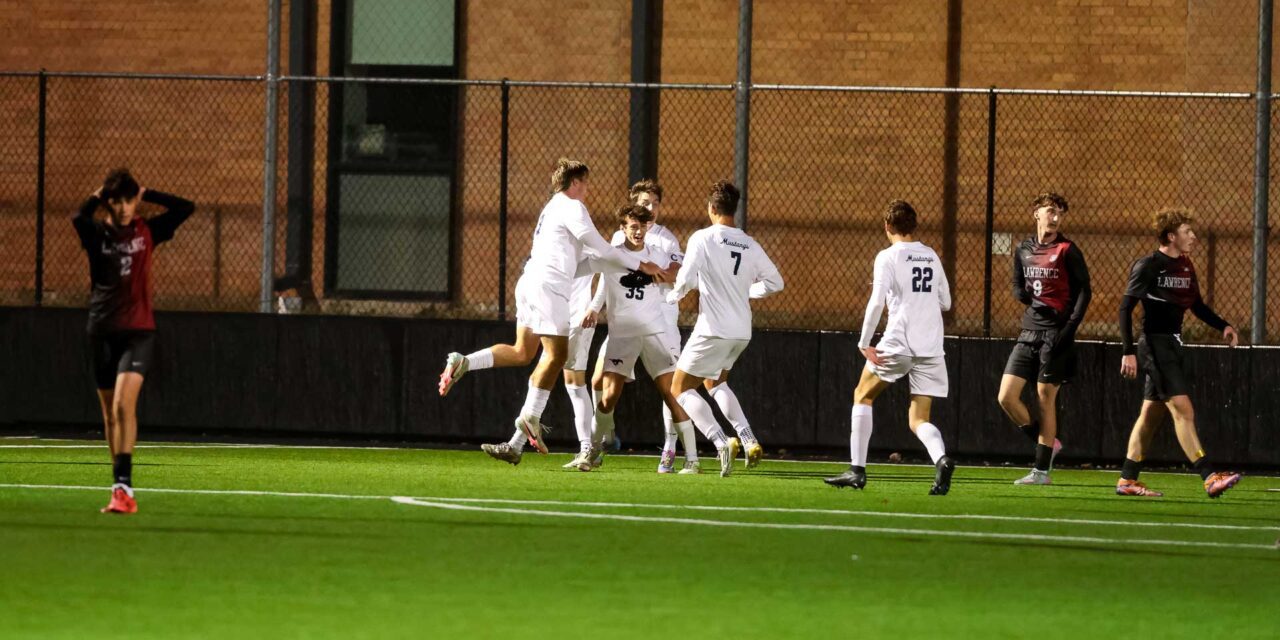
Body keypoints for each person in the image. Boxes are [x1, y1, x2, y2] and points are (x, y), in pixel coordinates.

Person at [437, 158, 665, 465]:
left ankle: (466, 363)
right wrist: (641, 264)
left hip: (530, 283)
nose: (588, 189)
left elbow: (585, 262)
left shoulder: (551, 209)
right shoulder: (571, 207)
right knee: (558, 359)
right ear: (574, 183)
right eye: (585, 183)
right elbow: (596, 244)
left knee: (522, 352)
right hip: (551, 290)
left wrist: (612, 261)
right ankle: (533, 419)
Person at [72, 168, 196, 514]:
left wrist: (148, 192)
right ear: (109, 203)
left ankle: (124, 487)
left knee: (124, 407)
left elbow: (186, 208)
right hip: (101, 330)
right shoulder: (96, 234)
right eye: (118, 201)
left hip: (138, 331)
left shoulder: (148, 231)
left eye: (129, 200)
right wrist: (96, 196)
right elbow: (77, 216)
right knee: (109, 417)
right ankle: (118, 488)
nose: (125, 207)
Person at [824, 201, 956, 495]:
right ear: (914, 226)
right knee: (919, 419)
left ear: (887, 227)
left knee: (862, 394)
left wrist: (863, 341)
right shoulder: (931, 255)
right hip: (932, 346)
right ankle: (941, 459)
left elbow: (876, 301)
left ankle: (856, 470)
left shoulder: (888, 256)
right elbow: (945, 302)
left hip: (899, 341)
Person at [1115, 209, 1242, 498]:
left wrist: (1223, 326)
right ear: (1171, 236)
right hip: (1154, 345)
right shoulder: (1148, 266)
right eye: (1188, 232)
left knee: (1149, 414)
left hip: (1173, 344)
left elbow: (1195, 305)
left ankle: (1127, 480)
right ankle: (1209, 476)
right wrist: (1128, 351)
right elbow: (1125, 308)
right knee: (1184, 411)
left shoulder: (1185, 266)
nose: (1194, 236)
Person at [666, 181, 783, 477]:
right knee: (715, 383)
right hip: (741, 332)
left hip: (713, 329)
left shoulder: (703, 238)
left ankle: (721, 442)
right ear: (734, 210)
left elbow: (687, 276)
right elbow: (776, 283)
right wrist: (745, 292)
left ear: (711, 208)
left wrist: (674, 295)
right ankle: (747, 438)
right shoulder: (749, 243)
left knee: (678, 388)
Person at [569, 204, 695, 472]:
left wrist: (674, 275)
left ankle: (692, 459)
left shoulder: (658, 255)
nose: (638, 232)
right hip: (622, 336)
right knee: (609, 397)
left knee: (672, 394)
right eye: (633, 227)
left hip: (653, 333)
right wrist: (560, 273)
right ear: (622, 229)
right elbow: (584, 269)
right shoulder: (612, 256)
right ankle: (592, 450)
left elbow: (680, 272)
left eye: (643, 227)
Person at [996, 192, 1091, 486]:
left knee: (1044, 397)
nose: (1054, 216)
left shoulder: (1067, 250)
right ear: (1036, 213)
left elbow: (1084, 292)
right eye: (1049, 210)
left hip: (1056, 333)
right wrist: (1019, 293)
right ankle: (1047, 444)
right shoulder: (1023, 249)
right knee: (1006, 397)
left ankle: (1040, 471)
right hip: (1029, 331)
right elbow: (1017, 281)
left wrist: (1069, 329)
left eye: (1059, 213)